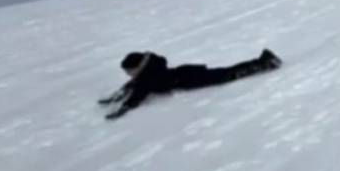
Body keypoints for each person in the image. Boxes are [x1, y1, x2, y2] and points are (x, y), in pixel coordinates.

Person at [99, 49, 282, 120]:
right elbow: (132, 85)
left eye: (129, 71)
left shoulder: (147, 77)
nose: (129, 75)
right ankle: (263, 61)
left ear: (138, 66)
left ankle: (266, 63)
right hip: (187, 73)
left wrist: (124, 108)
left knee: (229, 74)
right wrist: (115, 97)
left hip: (191, 78)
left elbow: (138, 93)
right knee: (227, 72)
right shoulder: (147, 72)